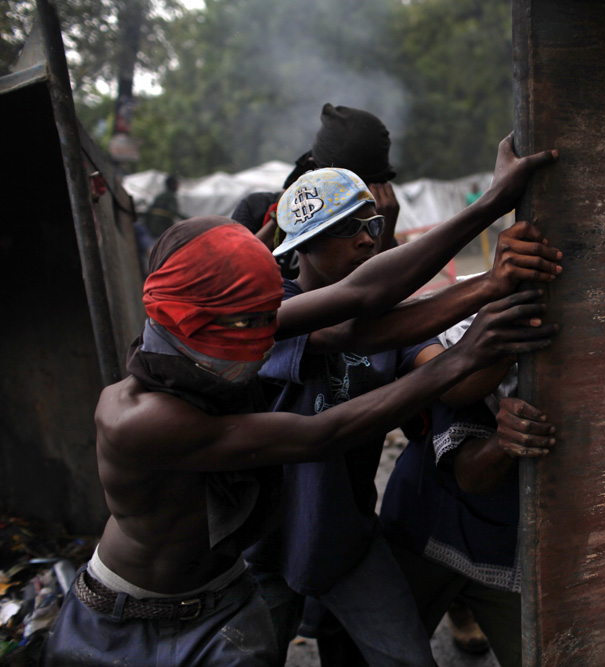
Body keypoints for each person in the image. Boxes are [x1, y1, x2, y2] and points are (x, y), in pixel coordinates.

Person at [41, 135, 558, 666]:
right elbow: (322, 434)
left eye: (268, 316)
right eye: (249, 321)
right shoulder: (143, 418)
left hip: (234, 586)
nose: (266, 332)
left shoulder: (220, 331)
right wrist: (463, 352)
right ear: (193, 323)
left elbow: (362, 300)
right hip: (132, 613)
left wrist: (494, 205)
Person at [243, 165, 563, 666]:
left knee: (406, 658)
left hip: (344, 539)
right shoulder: (276, 311)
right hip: (265, 545)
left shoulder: (394, 323)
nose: (367, 240)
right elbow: (351, 326)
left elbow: (458, 386)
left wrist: (508, 324)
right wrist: (487, 287)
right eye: (346, 229)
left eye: (370, 226)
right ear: (301, 247)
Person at [381, 318, 554, 667]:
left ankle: (464, 603)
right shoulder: (465, 329)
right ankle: (460, 605)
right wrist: (504, 441)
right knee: (382, 646)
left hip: (512, 548)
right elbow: (469, 474)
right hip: (429, 525)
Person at [231, 104, 400, 279]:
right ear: (312, 169)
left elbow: (376, 294)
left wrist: (381, 233)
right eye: (337, 186)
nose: (350, 197)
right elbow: (231, 275)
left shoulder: (371, 234)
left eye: (362, 187)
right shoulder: (256, 209)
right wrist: (285, 216)